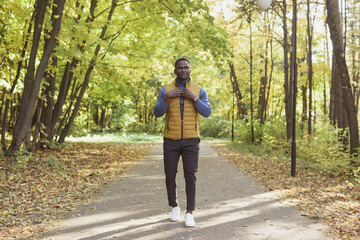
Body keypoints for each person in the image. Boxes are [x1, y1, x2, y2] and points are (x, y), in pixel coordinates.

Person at [153, 58, 211, 227]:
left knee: (190, 176)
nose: (183, 70)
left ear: (190, 70)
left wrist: (194, 98)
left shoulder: (199, 90)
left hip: (191, 140)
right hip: (171, 139)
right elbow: (157, 112)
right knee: (170, 175)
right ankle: (175, 207)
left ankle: (189, 213)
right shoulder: (166, 90)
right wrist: (167, 99)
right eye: (180, 68)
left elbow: (207, 112)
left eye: (186, 67)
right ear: (175, 71)